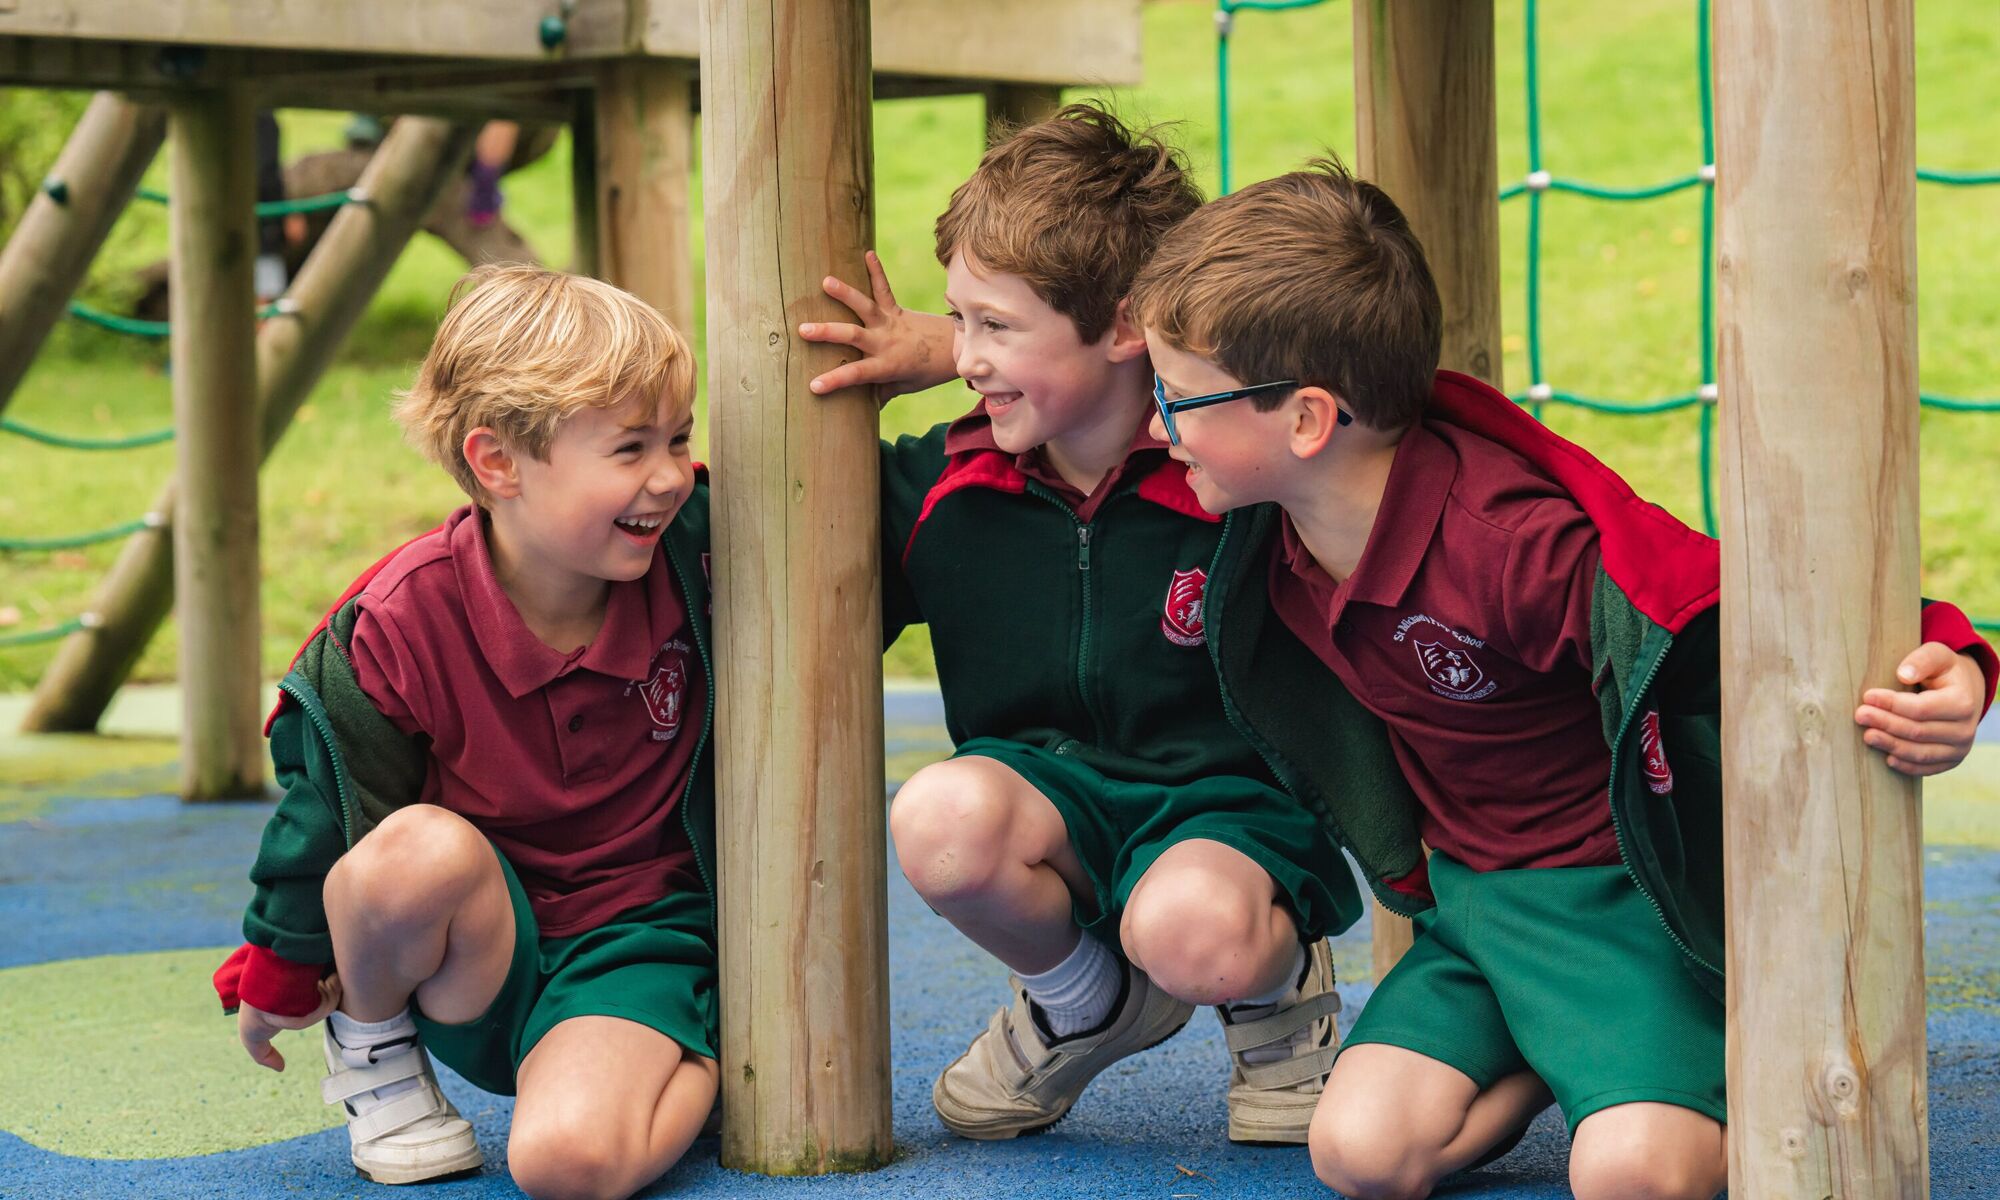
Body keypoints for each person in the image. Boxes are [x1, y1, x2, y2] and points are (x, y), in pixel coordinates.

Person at [1123, 159, 1998, 1199]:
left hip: (1625, 906)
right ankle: (1562, 1056)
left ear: (1306, 421)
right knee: (1358, 1156)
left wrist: (1952, 657)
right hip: (1477, 906)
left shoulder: (1511, 548)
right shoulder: (1271, 527)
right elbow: (1074, 427)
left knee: (1629, 1175)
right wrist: (945, 350)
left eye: (1175, 401)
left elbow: (1726, 612)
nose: (1151, 428)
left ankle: (1682, 1059)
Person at [797, 104, 1353, 1145]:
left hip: (1226, 816)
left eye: (994, 326)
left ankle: (1271, 989)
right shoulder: (945, 488)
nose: (961, 356)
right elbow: (744, 559)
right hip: (1047, 800)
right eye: (953, 320)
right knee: (935, 818)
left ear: (1123, 324)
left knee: (1191, 932)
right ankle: (1081, 996)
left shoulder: (1233, 477)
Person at [213, 265, 721, 1199]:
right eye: (630, 448)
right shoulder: (402, 619)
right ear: (498, 465)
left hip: (638, 944)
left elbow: (879, 517)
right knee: (412, 850)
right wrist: (282, 962)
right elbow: (323, 803)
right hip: (483, 958)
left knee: (565, 1167)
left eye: (680, 438)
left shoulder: (701, 554)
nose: (671, 475)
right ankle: (375, 1052)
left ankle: (713, 1063)